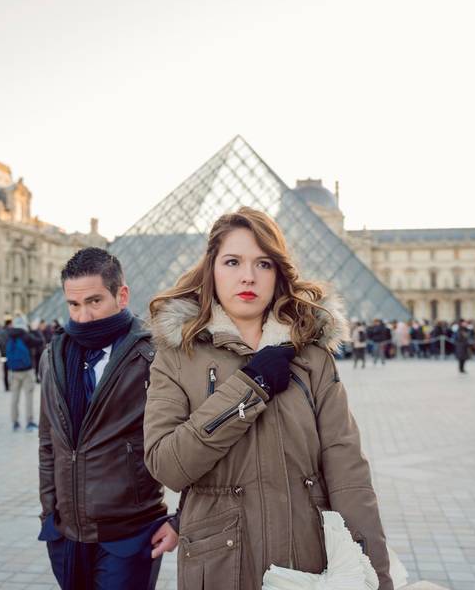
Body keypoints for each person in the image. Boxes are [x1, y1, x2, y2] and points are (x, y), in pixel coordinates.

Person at [144, 207, 393, 590]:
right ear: (212, 269)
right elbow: (167, 466)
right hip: (221, 567)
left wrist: (375, 576)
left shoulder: (311, 357)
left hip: (307, 563)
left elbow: (349, 476)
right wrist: (250, 386)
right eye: (233, 261)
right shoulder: (177, 356)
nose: (248, 276)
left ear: (278, 273)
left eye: (263, 263)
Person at [37, 248, 178, 589]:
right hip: (66, 535)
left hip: (129, 535)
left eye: (94, 301)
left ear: (122, 295)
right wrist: (49, 517)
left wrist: (181, 518)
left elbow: (193, 442)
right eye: (73, 305)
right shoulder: (53, 354)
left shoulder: (154, 355)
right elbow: (47, 441)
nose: (83, 316)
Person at [6, 315, 42, 432]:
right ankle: (29, 422)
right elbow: (40, 342)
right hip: (27, 370)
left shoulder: (9, 334)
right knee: (29, 397)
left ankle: (15, 422)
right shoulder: (25, 335)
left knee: (14, 398)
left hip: (13, 371)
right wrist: (35, 330)